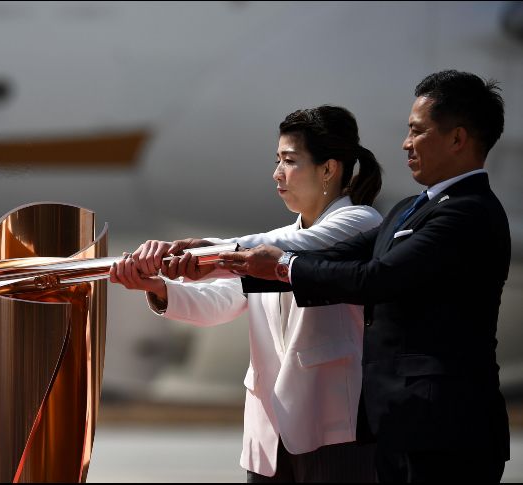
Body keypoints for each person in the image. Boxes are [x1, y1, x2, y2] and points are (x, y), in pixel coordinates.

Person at [213, 70, 510, 482]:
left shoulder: (468, 212)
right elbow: (331, 254)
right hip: (398, 426)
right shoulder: (412, 207)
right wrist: (225, 258)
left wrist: (279, 265)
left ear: (458, 138)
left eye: (417, 131)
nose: (406, 143)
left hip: (447, 430)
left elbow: (377, 278)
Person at [110, 105, 384, 482]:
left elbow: (294, 247)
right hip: (270, 429)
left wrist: (205, 250)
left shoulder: (360, 224)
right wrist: (158, 288)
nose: (277, 174)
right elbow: (222, 301)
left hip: (335, 426)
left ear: (328, 169)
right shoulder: (268, 243)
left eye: (289, 161)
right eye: (277, 161)